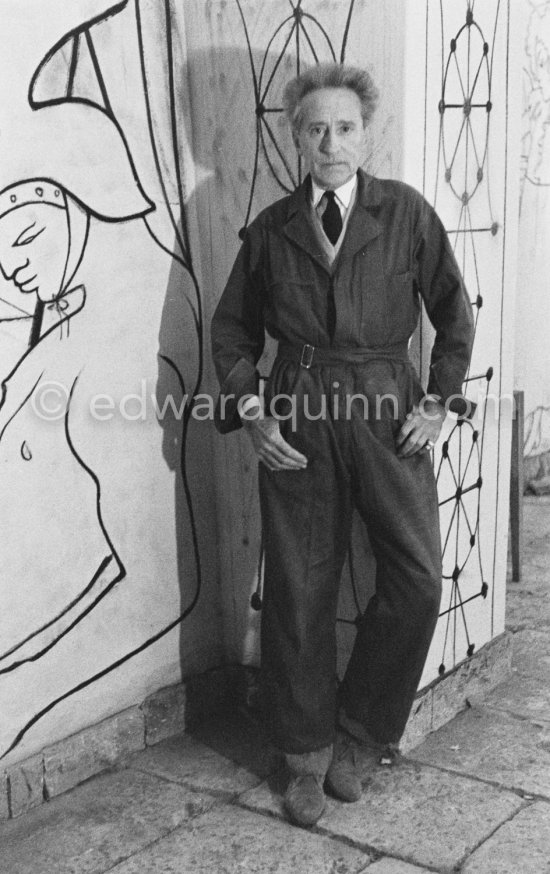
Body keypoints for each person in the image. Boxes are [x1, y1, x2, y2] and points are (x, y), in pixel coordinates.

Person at [211, 62, 474, 827]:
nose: (333, 142)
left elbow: (454, 316)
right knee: (299, 587)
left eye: (347, 127)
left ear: (369, 133)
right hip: (297, 412)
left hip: (389, 407)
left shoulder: (408, 216)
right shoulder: (269, 231)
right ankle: (302, 757)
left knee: (419, 576)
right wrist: (254, 411)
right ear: (297, 137)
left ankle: (359, 734)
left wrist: (438, 401)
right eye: (317, 128)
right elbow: (231, 330)